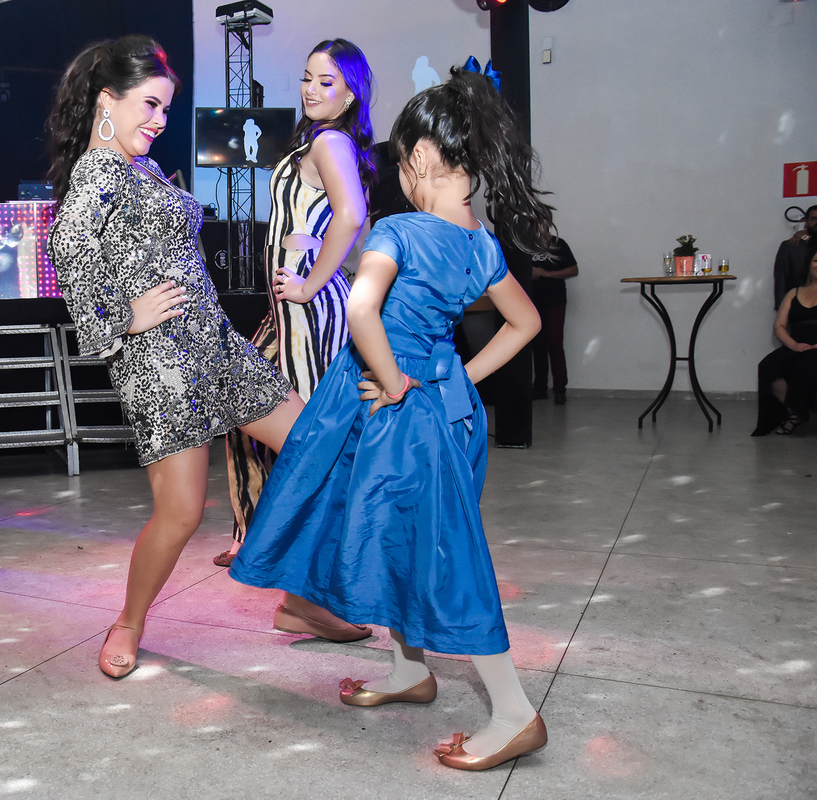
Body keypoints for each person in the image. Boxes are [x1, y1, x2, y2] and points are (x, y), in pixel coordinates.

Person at [230, 64, 554, 771]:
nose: (399, 178)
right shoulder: (481, 244)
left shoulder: (401, 231)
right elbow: (524, 323)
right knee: (411, 543)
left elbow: (359, 309)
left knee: (446, 556)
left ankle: (514, 713)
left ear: (424, 160)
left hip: (399, 410)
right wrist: (452, 381)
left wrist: (394, 381)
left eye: (401, 163)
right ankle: (411, 671)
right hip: (448, 411)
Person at [45, 35, 360, 679]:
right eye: (151, 106)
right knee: (182, 514)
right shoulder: (97, 171)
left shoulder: (140, 166)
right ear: (109, 100)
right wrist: (122, 318)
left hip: (216, 345)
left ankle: (302, 601)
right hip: (159, 365)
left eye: (165, 109)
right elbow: (66, 244)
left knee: (318, 448)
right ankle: (129, 622)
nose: (160, 122)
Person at [217, 39, 375, 575]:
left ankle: (308, 547)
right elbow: (352, 221)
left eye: (325, 82)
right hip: (286, 308)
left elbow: (352, 216)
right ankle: (256, 533)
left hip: (305, 310)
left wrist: (312, 283)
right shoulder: (323, 141)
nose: (310, 89)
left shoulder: (331, 142)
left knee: (305, 430)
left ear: (350, 94)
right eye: (307, 77)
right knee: (245, 407)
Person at [752, 250, 817, 435]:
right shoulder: (794, 293)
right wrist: (793, 345)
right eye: (816, 261)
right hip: (796, 344)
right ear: (809, 264)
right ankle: (794, 413)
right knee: (768, 366)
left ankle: (797, 415)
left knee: (805, 369)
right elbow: (779, 325)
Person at [524, 237, 577, 404]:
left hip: (555, 300)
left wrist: (545, 273)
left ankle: (560, 389)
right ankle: (540, 388)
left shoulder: (558, 244)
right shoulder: (525, 244)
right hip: (530, 301)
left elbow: (573, 270)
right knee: (536, 344)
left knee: (554, 343)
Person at [773, 205, 817, 309]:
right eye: (814, 218)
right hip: (798, 311)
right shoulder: (790, 247)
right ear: (806, 221)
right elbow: (780, 283)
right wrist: (782, 311)